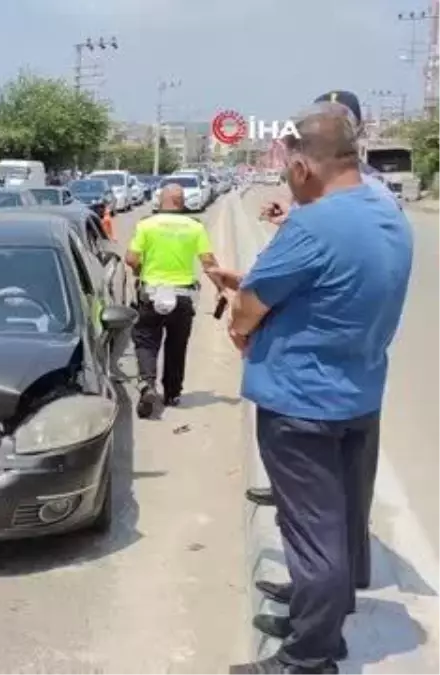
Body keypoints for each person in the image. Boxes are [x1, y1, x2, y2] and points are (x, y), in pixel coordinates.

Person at [223, 106, 413, 675]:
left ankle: (307, 659)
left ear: (303, 165)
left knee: (313, 535)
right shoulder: (389, 213)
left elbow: (250, 308)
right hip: (359, 393)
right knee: (342, 523)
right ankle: (321, 621)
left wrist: (240, 321)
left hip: (302, 402)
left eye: (288, 169)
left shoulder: (312, 224)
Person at [125, 183, 224, 418]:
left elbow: (131, 258)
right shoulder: (194, 227)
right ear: (181, 202)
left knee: (146, 341)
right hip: (183, 297)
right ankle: (172, 393)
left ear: (161, 200)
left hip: (151, 293)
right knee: (176, 346)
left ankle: (147, 385)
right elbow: (208, 262)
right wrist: (221, 288)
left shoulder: (146, 225)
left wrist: (141, 268)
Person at [261, 91, 398, 226]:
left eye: (340, 126)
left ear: (359, 131)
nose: (330, 134)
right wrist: (292, 216)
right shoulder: (307, 181)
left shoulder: (375, 189)